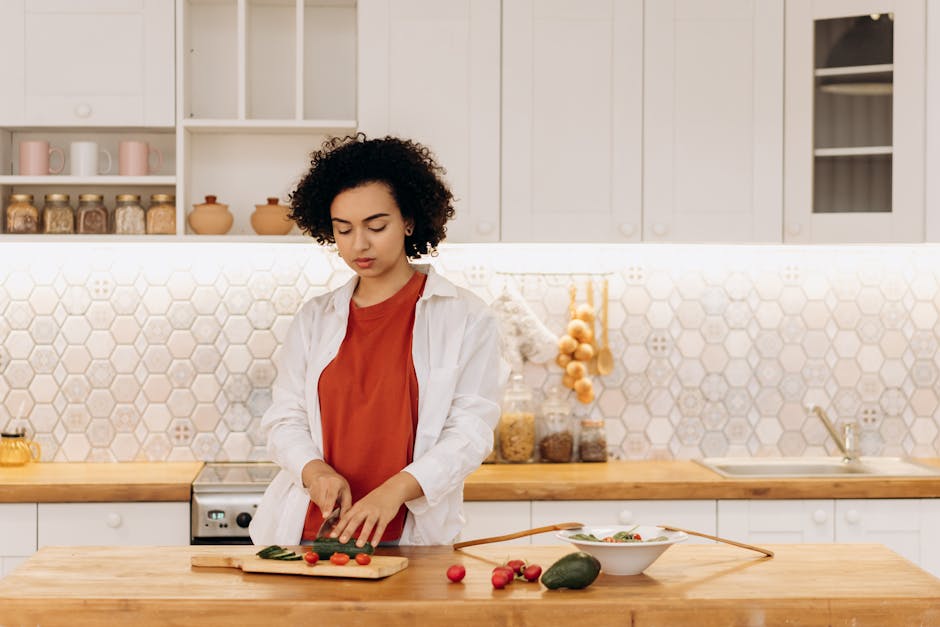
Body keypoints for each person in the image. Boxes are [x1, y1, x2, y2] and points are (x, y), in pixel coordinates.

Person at [249, 134, 503, 548]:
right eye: (343, 230)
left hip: (409, 540)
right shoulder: (315, 319)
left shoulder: (464, 317)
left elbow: (470, 431)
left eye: (376, 226)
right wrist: (315, 472)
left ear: (408, 221)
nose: (359, 244)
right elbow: (285, 419)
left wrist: (395, 491)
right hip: (306, 540)